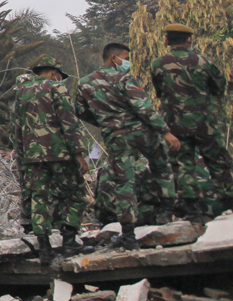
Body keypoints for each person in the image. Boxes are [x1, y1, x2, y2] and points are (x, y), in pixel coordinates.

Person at [77, 43, 182, 242]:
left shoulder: (85, 83)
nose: (128, 63)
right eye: (125, 58)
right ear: (114, 58)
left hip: (115, 136)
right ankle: (165, 213)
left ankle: (127, 234)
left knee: (124, 182)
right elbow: (144, 108)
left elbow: (81, 111)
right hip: (141, 131)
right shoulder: (124, 78)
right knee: (162, 167)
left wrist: (105, 122)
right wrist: (166, 132)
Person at [13, 55, 90, 266]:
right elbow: (69, 121)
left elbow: (17, 127)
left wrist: (22, 156)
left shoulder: (21, 91)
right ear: (54, 72)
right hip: (59, 153)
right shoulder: (57, 88)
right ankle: (69, 241)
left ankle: (44, 247)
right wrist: (79, 153)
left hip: (33, 155)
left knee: (39, 197)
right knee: (75, 195)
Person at [151, 24, 233, 215]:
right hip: (205, 123)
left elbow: (159, 92)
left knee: (183, 166)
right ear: (190, 40)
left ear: (166, 41)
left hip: (174, 125)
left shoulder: (157, 64)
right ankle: (230, 205)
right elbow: (219, 88)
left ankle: (193, 211)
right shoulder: (204, 62)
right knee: (219, 162)